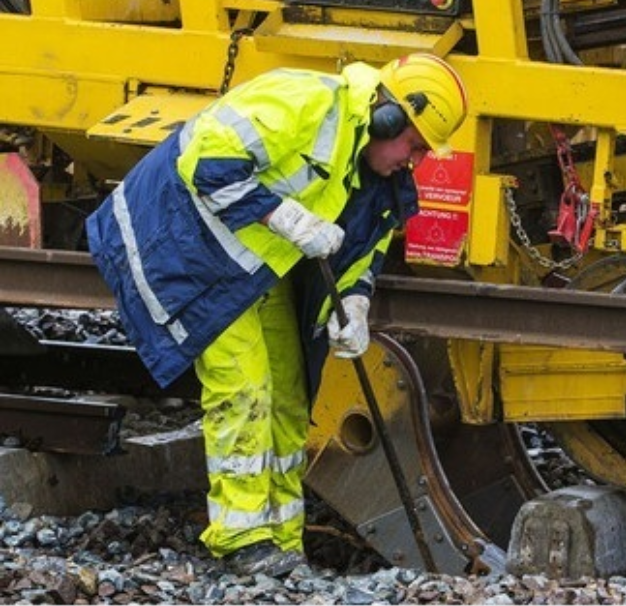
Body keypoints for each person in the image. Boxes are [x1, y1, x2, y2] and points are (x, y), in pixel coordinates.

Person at [85, 52, 467, 576]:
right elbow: (205, 163)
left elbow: (363, 247)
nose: (416, 161)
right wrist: (284, 215)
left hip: (254, 266)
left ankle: (282, 542)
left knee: (289, 397)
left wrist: (354, 304)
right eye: (415, 145)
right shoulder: (303, 102)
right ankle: (242, 540)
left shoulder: (378, 174)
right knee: (244, 390)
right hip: (185, 247)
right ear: (388, 117)